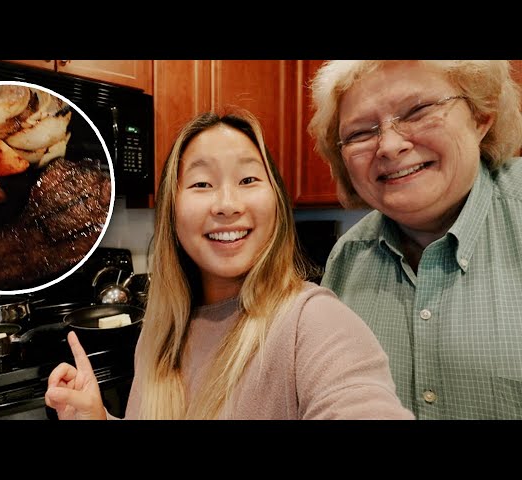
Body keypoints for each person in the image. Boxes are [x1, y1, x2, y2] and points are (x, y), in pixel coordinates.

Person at [45, 107, 414, 420]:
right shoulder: (160, 334)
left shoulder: (312, 323)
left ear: (277, 204)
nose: (226, 204)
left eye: (248, 179)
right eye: (202, 184)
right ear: (172, 212)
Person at [310, 60, 522, 420]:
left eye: (419, 110)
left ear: (480, 116)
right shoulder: (346, 259)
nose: (389, 146)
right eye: (361, 132)